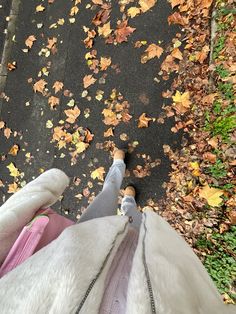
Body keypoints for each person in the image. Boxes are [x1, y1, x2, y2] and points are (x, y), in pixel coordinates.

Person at [0, 149, 234, 314]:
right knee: (136, 225)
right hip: (148, 272)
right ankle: (129, 204)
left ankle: (117, 170)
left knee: (107, 196)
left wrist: (35, 196)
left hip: (75, 252)